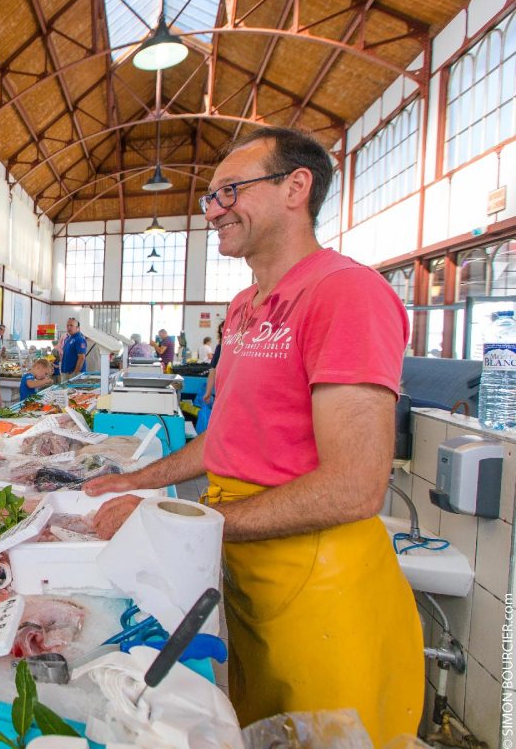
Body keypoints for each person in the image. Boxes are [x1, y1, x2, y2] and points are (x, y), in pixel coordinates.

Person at [84, 126, 420, 744]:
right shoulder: (245, 306)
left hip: (322, 585)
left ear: (297, 187)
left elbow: (354, 488)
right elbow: (226, 443)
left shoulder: (345, 293)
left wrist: (182, 522)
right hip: (247, 574)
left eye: (230, 191)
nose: (214, 210)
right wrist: (132, 480)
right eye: (210, 198)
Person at [202, 321, 225, 405]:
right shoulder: (220, 347)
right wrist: (208, 392)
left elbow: (213, 370)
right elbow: (213, 370)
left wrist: (208, 392)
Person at [59, 318, 87, 382]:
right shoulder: (68, 339)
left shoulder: (79, 339)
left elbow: (82, 357)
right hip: (66, 373)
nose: (69, 327)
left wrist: (75, 373)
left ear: (77, 327)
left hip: (74, 374)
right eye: (67, 325)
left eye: (71, 325)